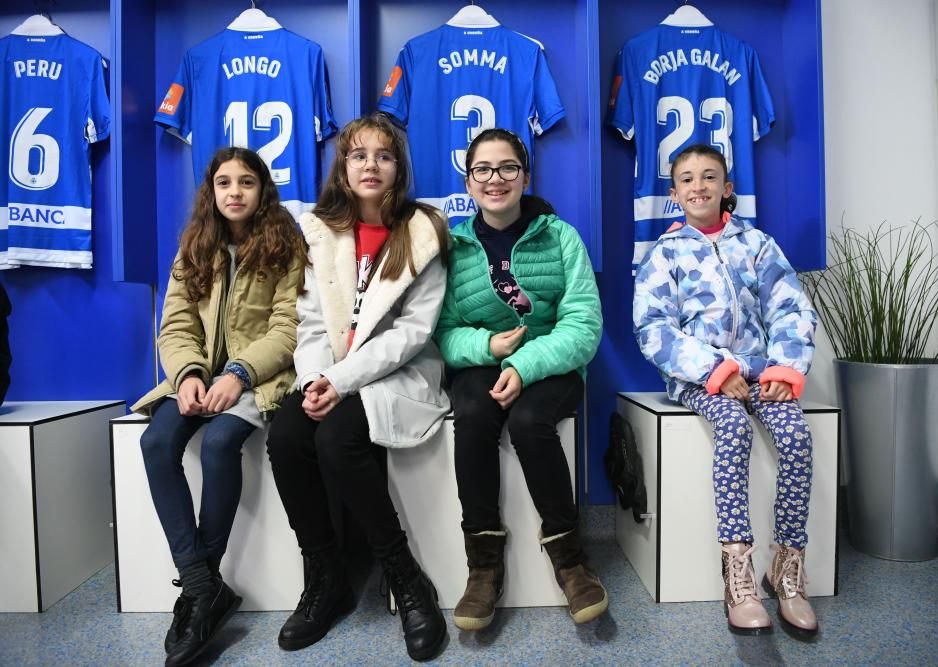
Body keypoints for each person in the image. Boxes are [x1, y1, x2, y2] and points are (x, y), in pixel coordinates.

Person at [265, 113, 451, 662]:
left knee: (337, 440)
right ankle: (326, 579)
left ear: (399, 168)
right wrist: (318, 380)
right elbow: (312, 322)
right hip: (329, 368)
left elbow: (413, 334)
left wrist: (340, 381)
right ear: (342, 167)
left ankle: (405, 575)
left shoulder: (424, 229)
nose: (370, 165)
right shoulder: (318, 231)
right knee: (286, 438)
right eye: (358, 154)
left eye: (384, 155)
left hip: (395, 372)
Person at [633, 144, 819, 638]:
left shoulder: (758, 245)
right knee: (733, 429)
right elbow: (653, 327)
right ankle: (738, 574)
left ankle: (787, 569)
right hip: (701, 380)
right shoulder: (665, 255)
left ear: (727, 188)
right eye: (687, 179)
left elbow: (790, 309)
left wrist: (785, 368)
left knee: (797, 438)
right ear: (674, 194)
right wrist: (713, 370)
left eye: (709, 177)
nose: (699, 186)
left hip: (763, 374)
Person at [132, 146, 306, 666]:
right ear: (211, 191)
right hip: (199, 379)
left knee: (221, 444)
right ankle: (202, 586)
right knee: (156, 441)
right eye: (224, 182)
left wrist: (240, 373)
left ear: (262, 190)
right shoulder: (194, 248)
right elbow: (176, 325)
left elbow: (288, 326)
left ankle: (198, 592)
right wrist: (186, 375)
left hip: (260, 379)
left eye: (246, 182)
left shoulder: (286, 246)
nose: (234, 192)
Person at [435, 128, 608, 630]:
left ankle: (572, 561)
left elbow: (583, 325)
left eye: (508, 168)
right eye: (483, 170)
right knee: (470, 415)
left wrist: (523, 364)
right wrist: (486, 348)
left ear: (525, 176)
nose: (496, 179)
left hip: (550, 364)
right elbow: (443, 331)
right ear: (468, 182)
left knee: (531, 421)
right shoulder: (455, 246)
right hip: (479, 365)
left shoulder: (560, 236)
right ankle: (483, 566)